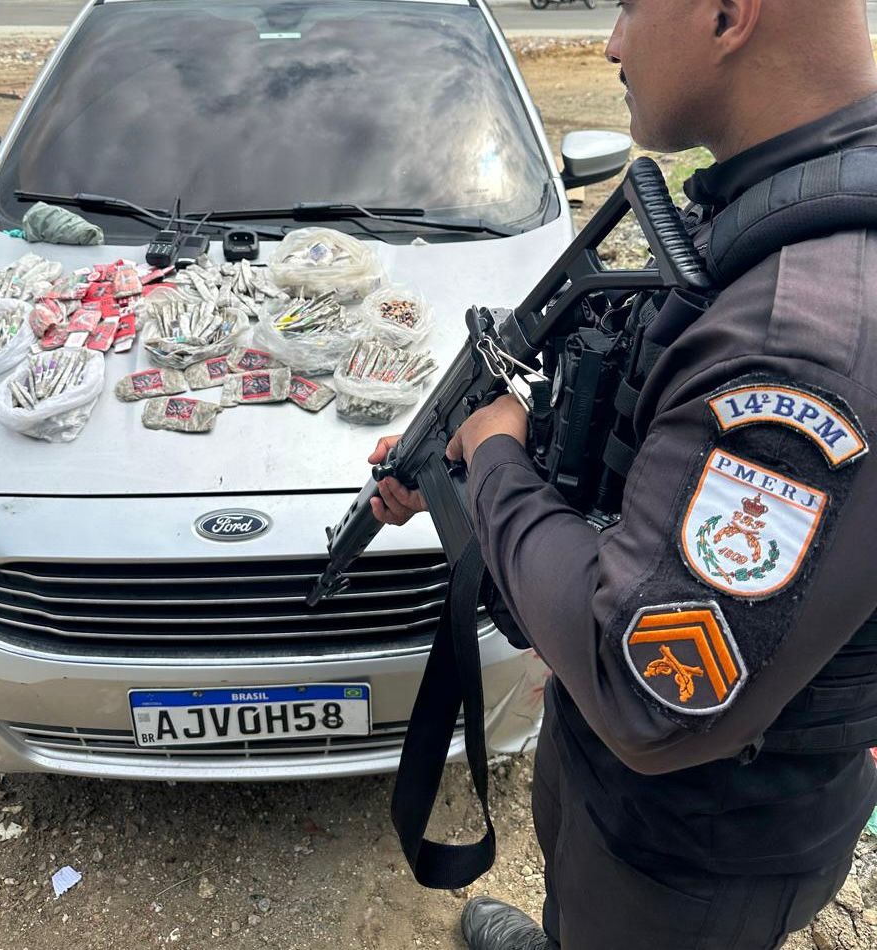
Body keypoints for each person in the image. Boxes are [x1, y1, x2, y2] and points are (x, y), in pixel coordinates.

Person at [367, 0, 877, 947]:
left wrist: (493, 457)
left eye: (633, 5)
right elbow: (653, 445)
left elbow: (649, 689)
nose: (609, 40)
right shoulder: (776, 202)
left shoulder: (800, 342)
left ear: (729, 14)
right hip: (630, 798)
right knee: (578, 900)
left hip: (695, 845)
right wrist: (494, 455)